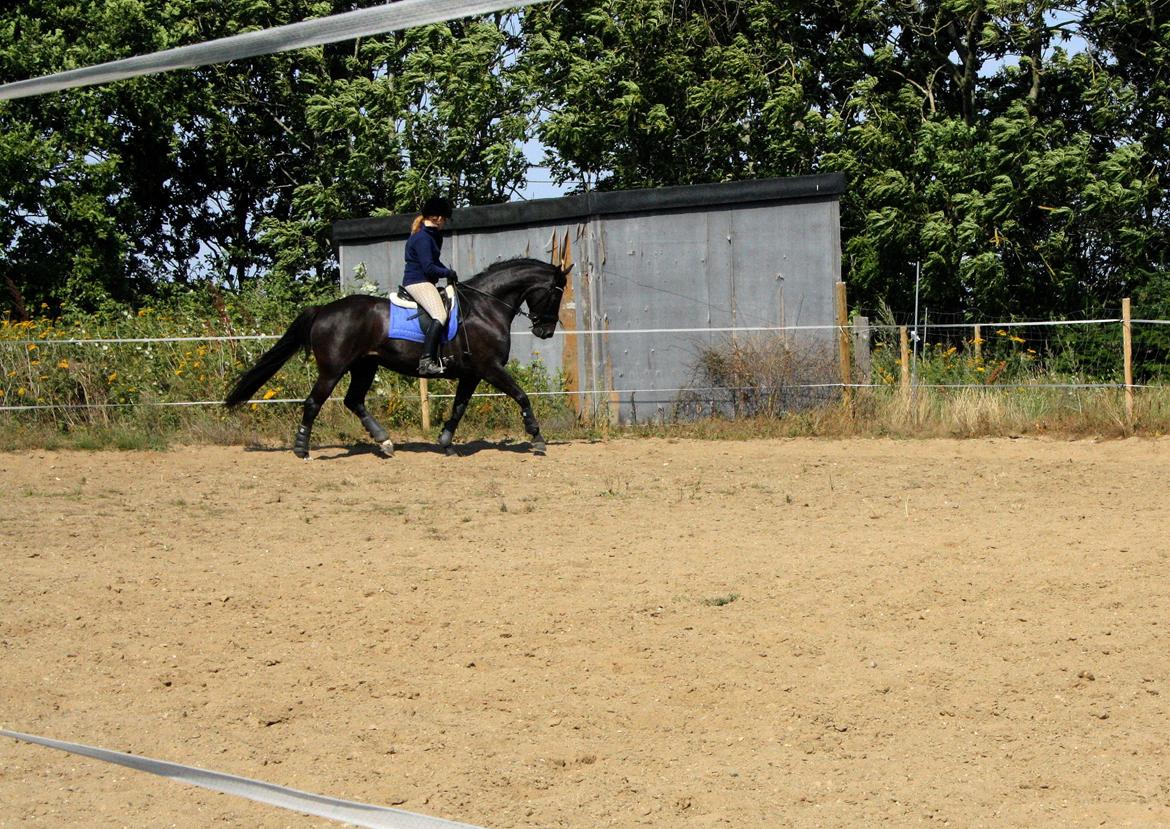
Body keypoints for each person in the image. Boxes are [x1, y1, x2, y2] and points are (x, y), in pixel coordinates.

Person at [403, 196, 458, 376]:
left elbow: (436, 263)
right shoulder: (422, 238)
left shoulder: (433, 237)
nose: (445, 223)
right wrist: (448, 273)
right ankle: (426, 361)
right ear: (438, 218)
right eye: (445, 219)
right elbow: (428, 267)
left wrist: (448, 271)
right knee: (440, 315)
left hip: (426, 281)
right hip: (417, 282)